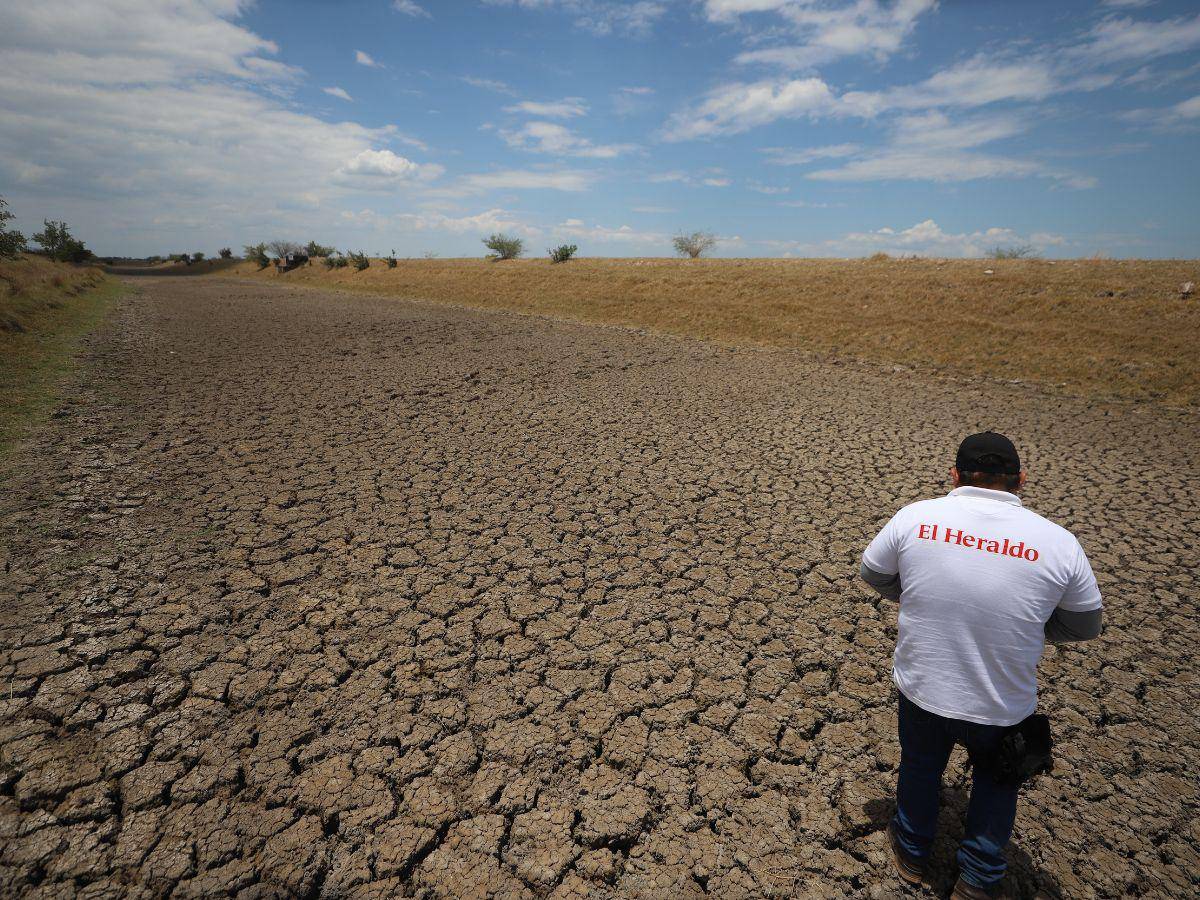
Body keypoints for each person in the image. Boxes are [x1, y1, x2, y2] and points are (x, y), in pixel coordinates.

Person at [859, 432, 1103, 899]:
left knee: (920, 767)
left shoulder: (917, 517)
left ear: (955, 476)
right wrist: (1024, 626)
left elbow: (873, 573)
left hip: (923, 688)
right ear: (1021, 480)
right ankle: (978, 878)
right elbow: (1086, 624)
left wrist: (922, 600)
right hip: (1002, 703)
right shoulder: (1059, 542)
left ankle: (911, 853)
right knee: (998, 781)